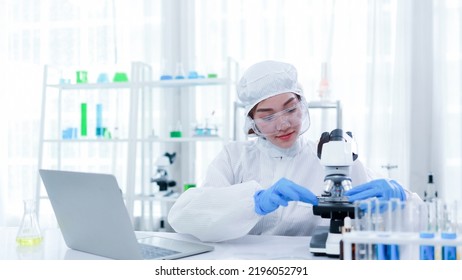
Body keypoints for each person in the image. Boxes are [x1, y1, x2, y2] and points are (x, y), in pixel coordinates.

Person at [168, 60, 422, 242]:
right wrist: (253, 202)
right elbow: (184, 217)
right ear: (252, 122)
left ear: (303, 105)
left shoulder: (333, 157)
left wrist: (400, 199)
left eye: (290, 110)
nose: (284, 124)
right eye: (267, 117)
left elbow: (418, 222)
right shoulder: (234, 157)